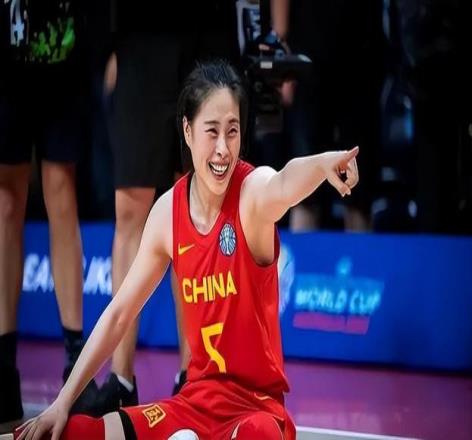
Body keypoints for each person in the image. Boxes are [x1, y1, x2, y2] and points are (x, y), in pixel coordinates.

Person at [14, 60, 359, 440]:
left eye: (233, 131)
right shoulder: (167, 212)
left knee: (257, 434)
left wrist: (321, 164)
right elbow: (119, 314)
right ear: (187, 130)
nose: (223, 149)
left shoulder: (251, 193)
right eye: (212, 132)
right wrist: (62, 402)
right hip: (194, 405)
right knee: (77, 432)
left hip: (256, 411)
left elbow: (284, 183)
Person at [94, 1, 241, 411]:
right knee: (130, 208)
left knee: (199, 206)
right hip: (141, 37)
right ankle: (121, 380)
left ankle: (194, 377)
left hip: (207, 34)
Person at [0, 0, 96, 428]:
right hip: (7, 58)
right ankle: (3, 367)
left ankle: (75, 364)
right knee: (6, 202)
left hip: (63, 53)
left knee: (62, 192)